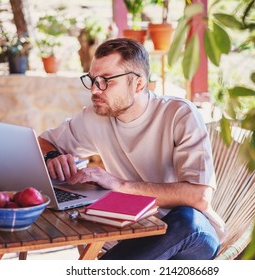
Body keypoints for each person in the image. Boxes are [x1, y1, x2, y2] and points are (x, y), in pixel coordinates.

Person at [38, 38, 226, 260]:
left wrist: (118, 185)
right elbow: (43, 142)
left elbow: (199, 196)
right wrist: (52, 156)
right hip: (131, 229)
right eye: (92, 80)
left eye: (106, 80)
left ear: (138, 84)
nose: (95, 90)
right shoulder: (95, 116)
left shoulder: (179, 114)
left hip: (190, 238)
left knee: (186, 218)